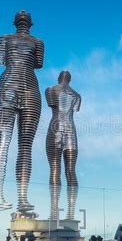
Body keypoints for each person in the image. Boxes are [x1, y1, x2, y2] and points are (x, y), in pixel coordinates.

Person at [0, 10, 44, 214]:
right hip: (26, 87)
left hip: (11, 85)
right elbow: (38, 64)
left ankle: (13, 198)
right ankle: (5, 197)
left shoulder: (4, 39)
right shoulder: (38, 42)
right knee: (20, 145)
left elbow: (1, 61)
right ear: (31, 23)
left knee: (8, 142)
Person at [45, 70, 81, 220]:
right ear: (70, 80)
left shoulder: (50, 90)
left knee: (55, 168)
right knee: (71, 171)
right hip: (71, 132)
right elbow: (75, 110)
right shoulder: (77, 96)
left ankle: (54, 212)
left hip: (55, 128)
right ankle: (70, 213)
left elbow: (53, 106)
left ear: (59, 78)